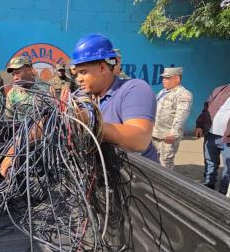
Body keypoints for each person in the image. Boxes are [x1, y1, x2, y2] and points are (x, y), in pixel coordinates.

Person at [73, 33, 158, 162]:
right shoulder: (82, 96)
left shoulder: (133, 89)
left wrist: (88, 121)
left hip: (137, 177)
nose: (78, 79)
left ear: (102, 68)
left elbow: (140, 139)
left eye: (83, 72)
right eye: (76, 73)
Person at [152, 67, 193, 169]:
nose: (163, 80)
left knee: (165, 164)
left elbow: (181, 115)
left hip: (167, 137)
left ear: (177, 79)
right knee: (152, 162)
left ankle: (164, 185)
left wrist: (173, 133)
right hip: (155, 134)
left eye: (167, 78)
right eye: (163, 78)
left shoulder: (183, 94)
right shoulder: (163, 91)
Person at [195, 84, 230, 194]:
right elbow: (206, 109)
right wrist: (199, 125)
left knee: (228, 167)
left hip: (227, 139)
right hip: (211, 134)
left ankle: (223, 192)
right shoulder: (219, 90)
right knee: (210, 162)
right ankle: (208, 186)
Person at [5, 56, 49, 120]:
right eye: (13, 75)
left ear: (29, 69)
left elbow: (53, 117)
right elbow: (9, 121)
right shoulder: (12, 94)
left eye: (17, 73)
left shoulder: (46, 89)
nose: (15, 78)